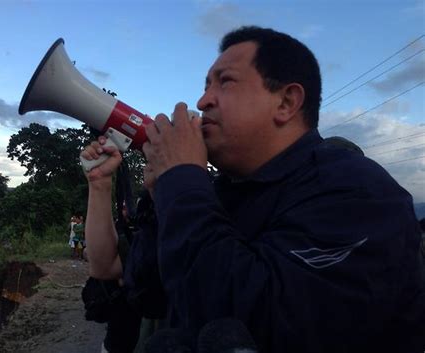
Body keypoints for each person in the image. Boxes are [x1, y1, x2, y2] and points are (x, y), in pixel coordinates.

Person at [81, 26, 424, 352]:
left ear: (287, 102)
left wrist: (183, 180)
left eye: (225, 82)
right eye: (205, 85)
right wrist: (162, 199)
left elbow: (249, 319)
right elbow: (147, 296)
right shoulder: (217, 192)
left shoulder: (359, 193)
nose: (202, 101)